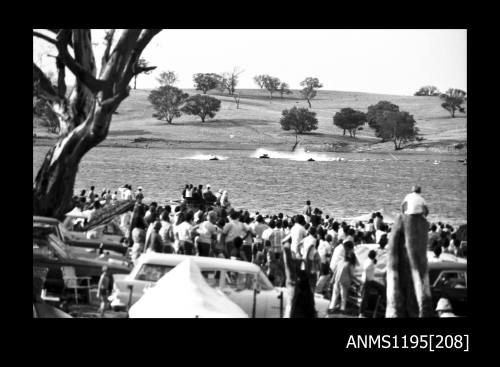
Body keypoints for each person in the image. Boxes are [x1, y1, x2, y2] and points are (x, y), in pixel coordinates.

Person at [359, 250, 385, 317]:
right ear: (374, 256)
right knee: (365, 297)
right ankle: (361, 313)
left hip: (370, 280)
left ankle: (380, 303)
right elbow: (366, 268)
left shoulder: (368, 260)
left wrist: (374, 262)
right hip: (367, 281)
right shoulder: (370, 262)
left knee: (382, 288)